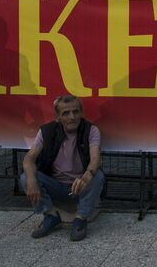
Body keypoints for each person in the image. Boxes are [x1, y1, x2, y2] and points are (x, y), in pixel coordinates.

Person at [21, 95, 104, 241]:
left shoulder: (91, 130)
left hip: (80, 186)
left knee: (98, 176)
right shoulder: (46, 131)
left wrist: (86, 176)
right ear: (58, 116)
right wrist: (31, 180)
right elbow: (29, 158)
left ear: (81, 112)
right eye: (66, 113)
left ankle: (80, 219)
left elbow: (95, 159)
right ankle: (50, 215)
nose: (72, 117)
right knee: (25, 177)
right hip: (56, 186)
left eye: (76, 112)